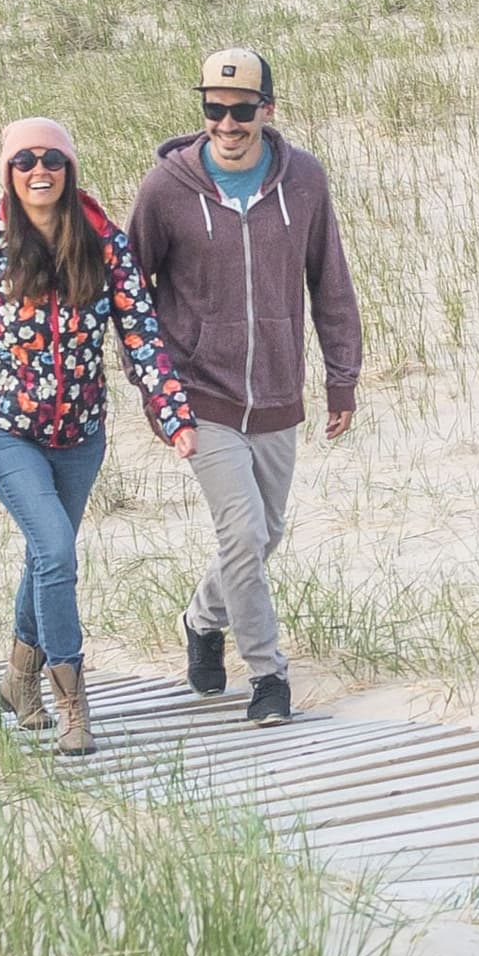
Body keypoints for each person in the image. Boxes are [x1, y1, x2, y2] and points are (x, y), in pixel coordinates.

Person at [0, 118, 195, 755]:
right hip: (3, 431)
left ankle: (18, 679)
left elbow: (142, 337)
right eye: (24, 161)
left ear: (69, 171)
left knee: (49, 556)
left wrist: (173, 415)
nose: (39, 171)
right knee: (58, 553)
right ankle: (73, 705)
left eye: (52, 160)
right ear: (9, 174)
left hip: (80, 435)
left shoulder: (105, 246)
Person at [125, 46, 363, 721]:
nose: (226, 123)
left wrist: (341, 378)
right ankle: (268, 678)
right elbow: (129, 295)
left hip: (279, 393)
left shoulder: (305, 181)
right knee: (241, 532)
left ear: (268, 108)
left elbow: (331, 281)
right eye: (214, 108)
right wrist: (156, 392)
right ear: (202, 107)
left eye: (240, 110)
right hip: (200, 394)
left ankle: (202, 620)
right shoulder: (165, 190)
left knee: (264, 534)